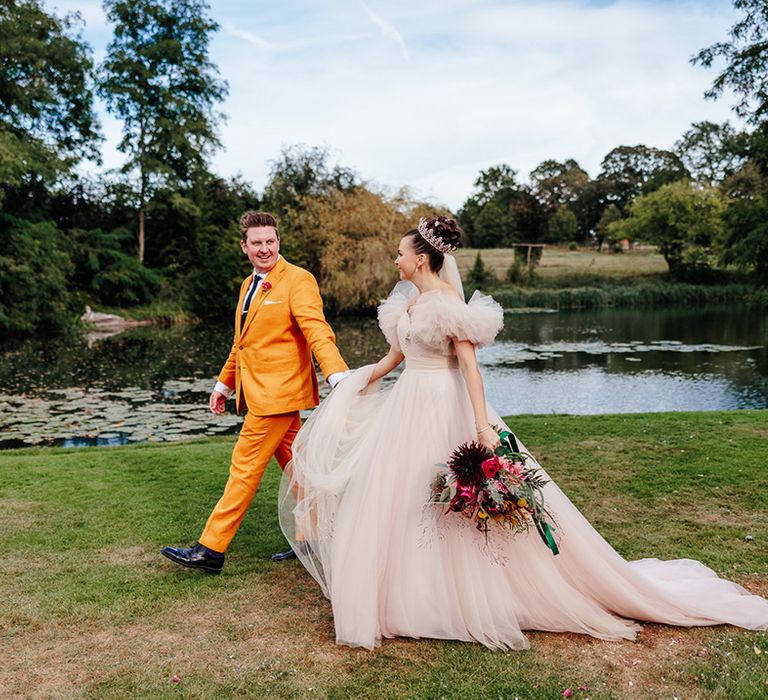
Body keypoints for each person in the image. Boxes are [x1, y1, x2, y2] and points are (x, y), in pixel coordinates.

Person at [278, 215, 768, 650]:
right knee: (402, 498)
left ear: (422, 259)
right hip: (406, 406)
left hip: (444, 406)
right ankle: (413, 595)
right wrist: (356, 380)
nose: (396, 259)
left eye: (401, 253)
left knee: (448, 500)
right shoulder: (403, 305)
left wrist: (481, 426)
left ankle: (475, 594)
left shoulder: (449, 306)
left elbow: (470, 371)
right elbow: (394, 359)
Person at [161, 211, 349, 574]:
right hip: (262, 393)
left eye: (271, 241)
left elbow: (317, 330)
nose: (265, 248)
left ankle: (210, 549)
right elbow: (241, 344)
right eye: (257, 243)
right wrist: (223, 384)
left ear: (278, 242)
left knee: (243, 469)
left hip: (278, 396)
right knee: (300, 470)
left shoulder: (298, 280)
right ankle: (314, 540)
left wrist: (337, 375)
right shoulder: (248, 286)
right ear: (245, 247)